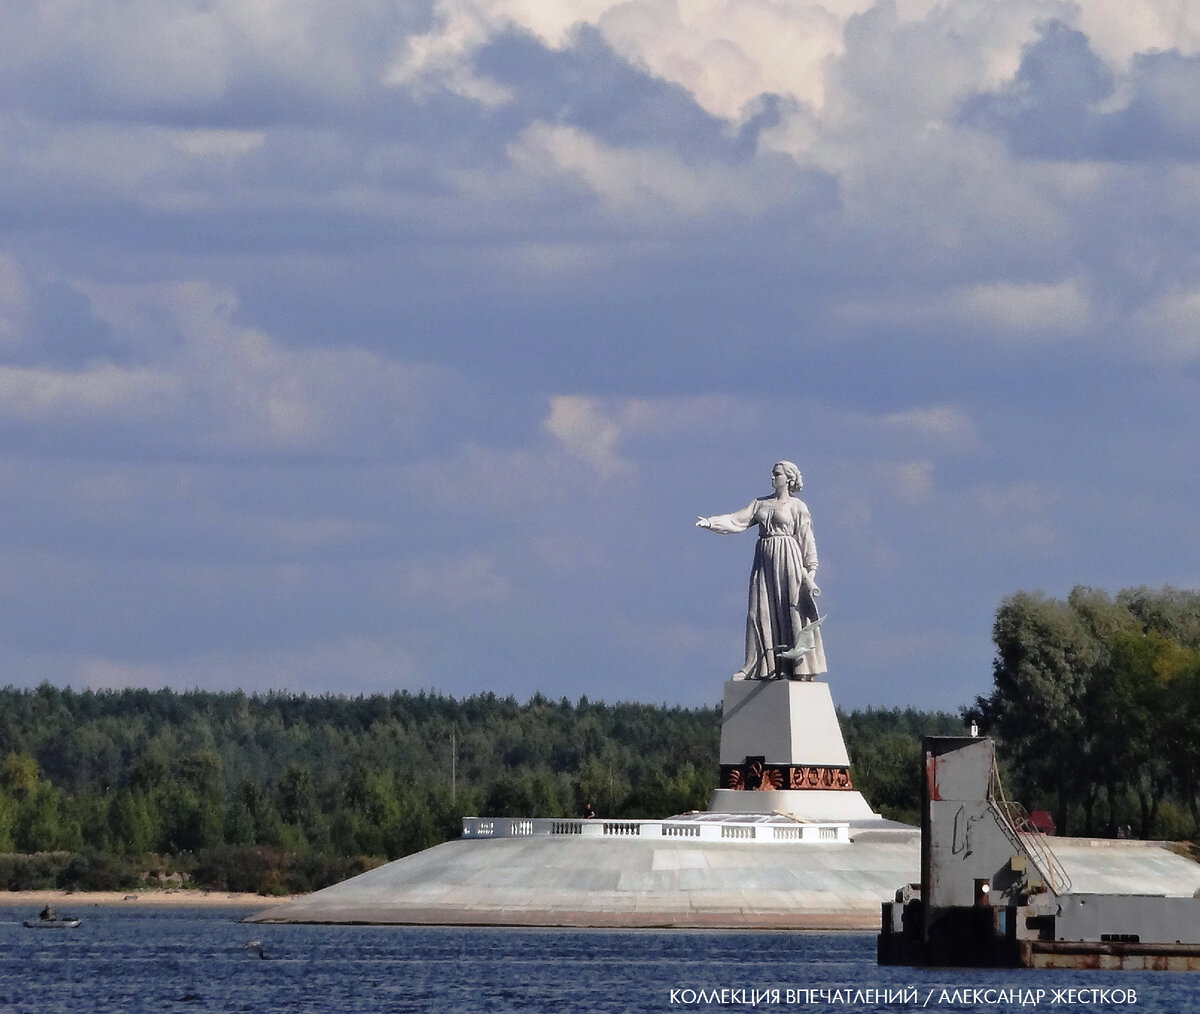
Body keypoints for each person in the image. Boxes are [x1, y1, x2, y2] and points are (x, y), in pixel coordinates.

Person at [696, 461, 826, 680]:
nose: (772, 477)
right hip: (764, 561)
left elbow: (807, 539)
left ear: (789, 478)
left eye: (777, 474)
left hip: (789, 560)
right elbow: (736, 520)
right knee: (759, 611)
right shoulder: (759, 504)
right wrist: (711, 522)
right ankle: (756, 664)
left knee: (790, 611)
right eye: (773, 474)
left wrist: (810, 573)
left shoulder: (797, 506)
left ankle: (795, 667)